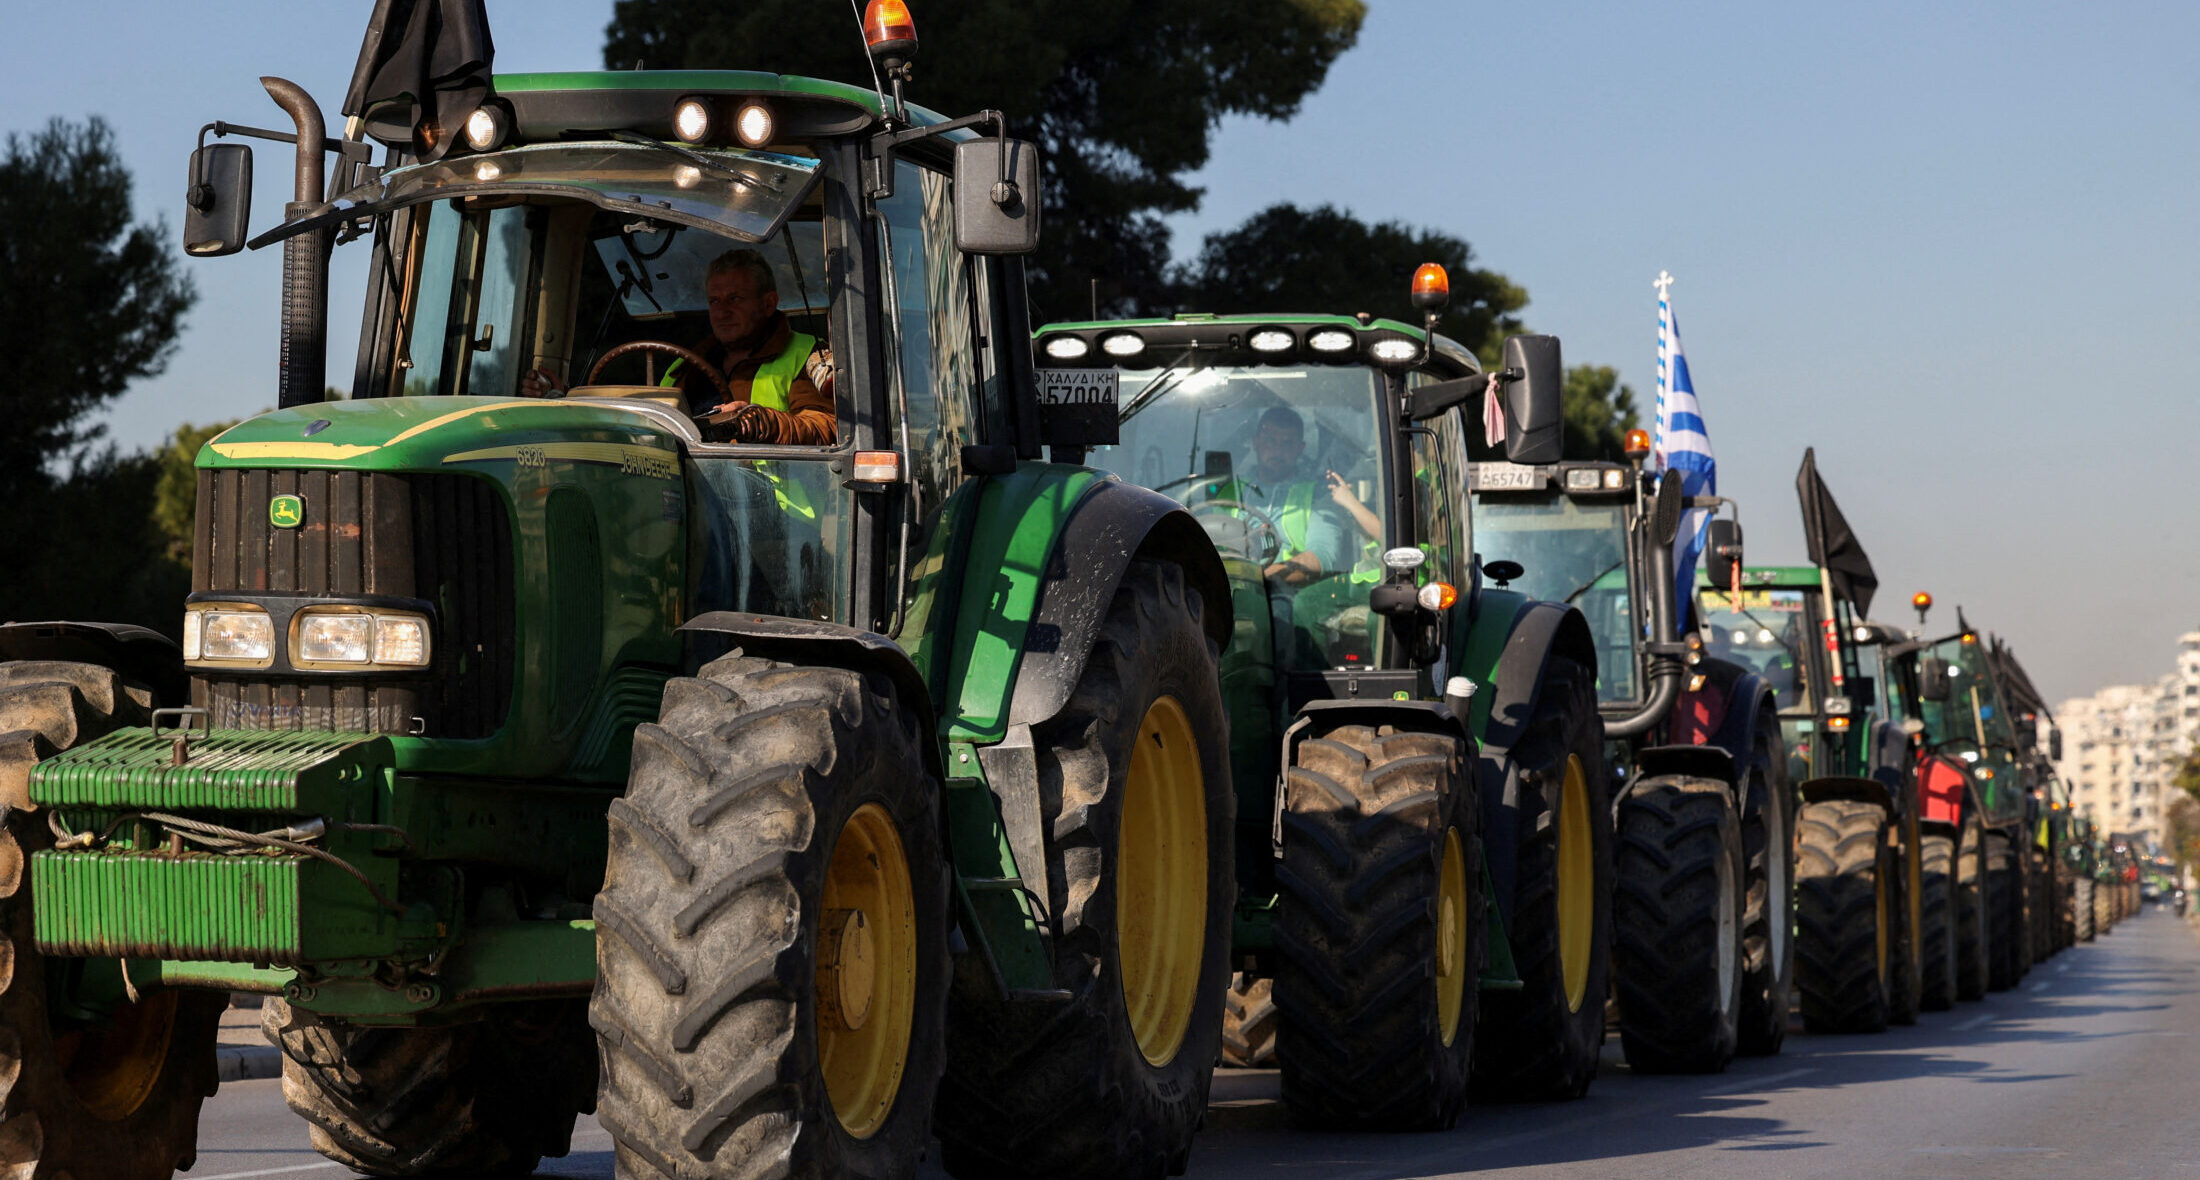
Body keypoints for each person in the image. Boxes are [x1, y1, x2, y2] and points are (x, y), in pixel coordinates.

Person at [523, 248, 835, 444]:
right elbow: (643, 422)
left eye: (735, 299)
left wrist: (762, 421)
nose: (722, 311)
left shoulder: (807, 356)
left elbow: (827, 428)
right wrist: (564, 398)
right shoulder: (684, 367)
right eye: (714, 301)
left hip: (775, 515)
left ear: (768, 304)